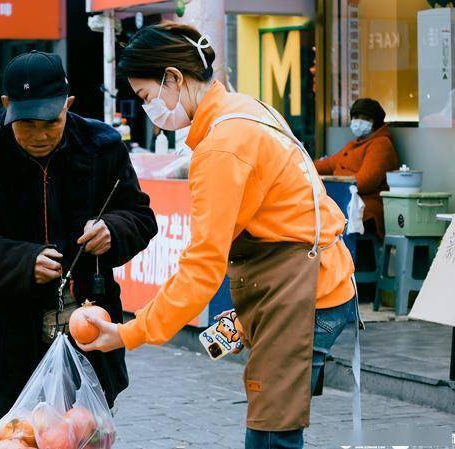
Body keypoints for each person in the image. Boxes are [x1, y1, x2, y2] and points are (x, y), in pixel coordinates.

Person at [79, 23, 357, 449]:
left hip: (304, 291)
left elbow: (202, 267)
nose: (151, 108)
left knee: (272, 429)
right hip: (309, 279)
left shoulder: (222, 146)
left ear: (173, 78)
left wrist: (130, 332)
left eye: (147, 97)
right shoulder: (247, 109)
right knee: (272, 419)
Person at [0, 51, 157, 421]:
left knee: (83, 432)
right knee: (10, 435)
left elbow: (140, 216)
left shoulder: (102, 147)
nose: (40, 135)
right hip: (0, 342)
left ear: (68, 104)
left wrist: (113, 230)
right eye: (26, 124)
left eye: (51, 122)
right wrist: (21, 261)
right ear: (6, 106)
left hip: (85, 330)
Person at [314, 98, 399, 238]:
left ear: (375, 122)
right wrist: (304, 165)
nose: (358, 122)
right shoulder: (354, 144)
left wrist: (336, 182)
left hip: (365, 206)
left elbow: (366, 181)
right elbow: (329, 164)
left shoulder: (381, 144)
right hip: (345, 200)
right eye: (356, 117)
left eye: (365, 118)